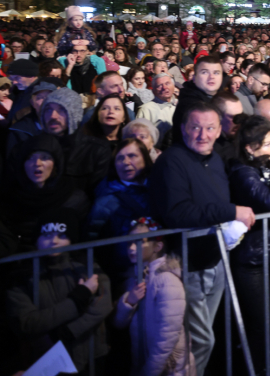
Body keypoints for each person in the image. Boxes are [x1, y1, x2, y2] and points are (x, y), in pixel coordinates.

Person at [150, 102, 256, 376]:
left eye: (210, 128)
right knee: (199, 341)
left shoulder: (215, 160)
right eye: (195, 127)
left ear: (219, 129)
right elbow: (178, 213)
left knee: (203, 336)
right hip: (187, 263)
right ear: (184, 128)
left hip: (214, 258)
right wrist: (232, 211)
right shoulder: (171, 161)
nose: (202, 134)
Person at [228, 116, 270, 373]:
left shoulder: (267, 165)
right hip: (253, 260)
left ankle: (269, 359)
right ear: (249, 147)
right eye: (268, 144)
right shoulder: (242, 171)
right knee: (261, 321)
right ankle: (257, 367)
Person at [5, 208, 113, 373]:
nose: (53, 241)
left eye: (61, 235)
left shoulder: (86, 265)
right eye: (46, 235)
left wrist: (69, 331)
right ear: (36, 239)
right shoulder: (21, 276)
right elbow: (26, 323)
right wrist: (77, 300)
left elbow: (103, 304)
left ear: (71, 239)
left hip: (92, 355)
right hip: (47, 360)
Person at [114, 217, 197, 376]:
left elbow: (167, 338)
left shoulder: (167, 279)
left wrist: (148, 372)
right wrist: (129, 302)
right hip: (142, 364)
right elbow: (118, 324)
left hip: (170, 370)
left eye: (139, 242)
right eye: (129, 242)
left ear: (157, 246)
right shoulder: (133, 279)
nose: (131, 248)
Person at [0, 135, 90, 251]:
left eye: (45, 157)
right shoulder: (9, 196)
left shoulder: (74, 198)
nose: (37, 163)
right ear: (22, 164)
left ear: (56, 164)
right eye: (30, 158)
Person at [86, 139, 153, 291]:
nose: (126, 162)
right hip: (125, 273)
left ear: (145, 158)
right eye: (120, 158)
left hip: (158, 265)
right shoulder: (106, 200)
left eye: (132, 156)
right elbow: (91, 239)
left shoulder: (158, 186)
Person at [170, 54, 224, 145]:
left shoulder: (220, 99)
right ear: (194, 78)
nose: (211, 77)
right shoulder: (189, 104)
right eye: (204, 72)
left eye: (216, 73)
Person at [138, 73, 177, 147]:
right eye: (159, 85)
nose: (164, 87)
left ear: (173, 86)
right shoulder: (146, 109)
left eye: (167, 83)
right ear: (153, 91)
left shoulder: (180, 105)